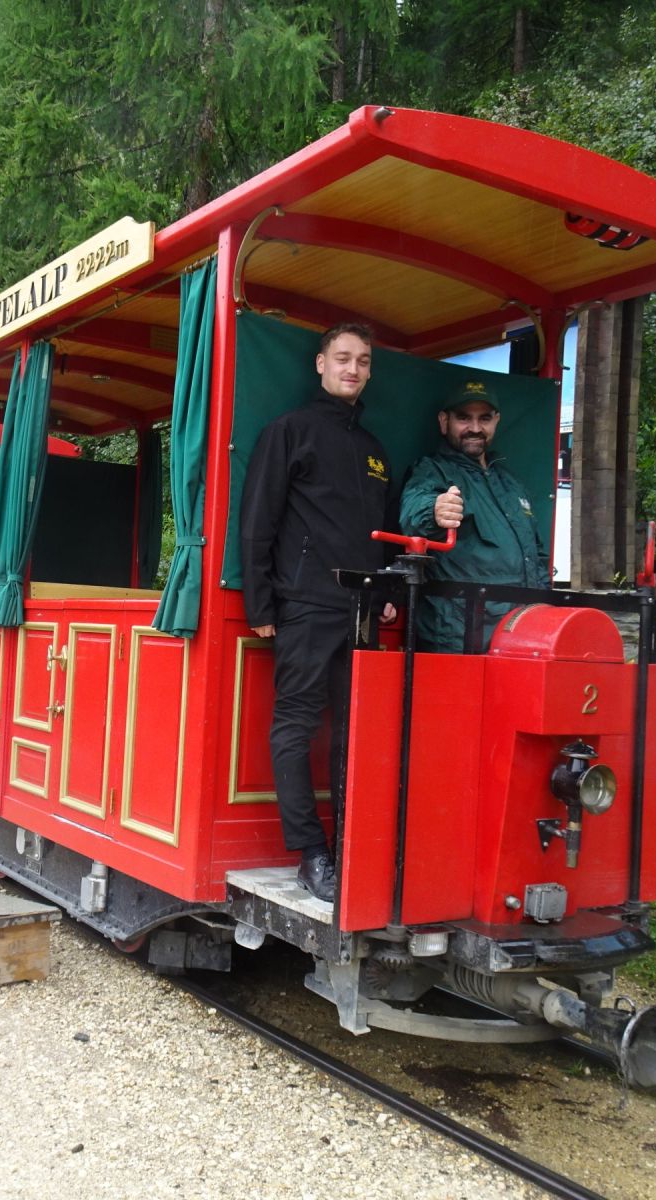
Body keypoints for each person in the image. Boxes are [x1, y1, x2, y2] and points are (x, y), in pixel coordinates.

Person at [241, 323, 397, 904]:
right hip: (305, 604)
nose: (352, 369)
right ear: (319, 364)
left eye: (362, 360)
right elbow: (258, 521)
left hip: (361, 611)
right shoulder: (289, 432)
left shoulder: (375, 450)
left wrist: (385, 590)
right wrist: (261, 602)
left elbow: (380, 536)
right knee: (297, 726)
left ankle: (352, 848)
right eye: (342, 358)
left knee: (353, 733)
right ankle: (312, 853)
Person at [398, 378, 549, 653]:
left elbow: (537, 556)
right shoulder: (432, 471)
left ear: (497, 421)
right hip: (458, 639)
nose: (475, 428)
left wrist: (544, 611)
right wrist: (435, 511)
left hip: (520, 637)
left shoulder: (511, 483)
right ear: (444, 421)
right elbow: (413, 515)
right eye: (464, 418)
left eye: (485, 418)